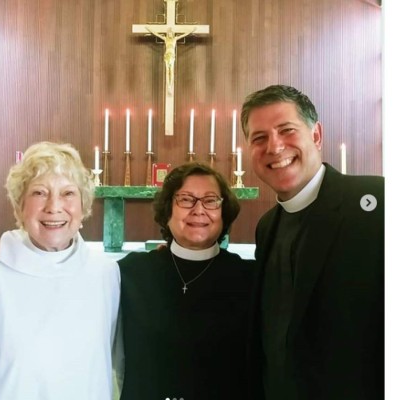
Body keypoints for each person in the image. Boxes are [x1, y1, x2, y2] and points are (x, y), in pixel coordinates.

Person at [241, 85, 384, 399]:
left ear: (316, 135)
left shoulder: (375, 202)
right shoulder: (267, 227)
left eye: (286, 130)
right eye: (259, 138)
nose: (274, 147)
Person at [0, 142, 121, 399]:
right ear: (20, 204)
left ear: (84, 205)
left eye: (68, 193)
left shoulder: (106, 274)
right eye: (39, 193)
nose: (54, 207)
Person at [117, 162, 256, 400]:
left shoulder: (249, 278)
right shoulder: (132, 273)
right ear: (167, 209)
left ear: (224, 212)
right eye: (186, 199)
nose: (199, 210)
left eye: (211, 200)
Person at [145, 26, 196, 93]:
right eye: (169, 32)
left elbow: (184, 34)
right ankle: (168, 86)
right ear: (167, 33)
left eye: (171, 32)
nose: (170, 34)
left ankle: (170, 86)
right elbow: (156, 34)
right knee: (167, 72)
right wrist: (149, 29)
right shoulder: (165, 39)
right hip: (167, 56)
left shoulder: (175, 39)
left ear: (172, 33)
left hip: (172, 56)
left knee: (171, 72)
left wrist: (192, 30)